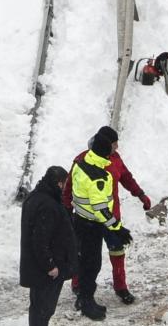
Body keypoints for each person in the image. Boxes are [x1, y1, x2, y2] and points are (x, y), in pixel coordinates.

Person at [62, 125, 150, 307]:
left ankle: (121, 287)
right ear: (106, 144)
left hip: (111, 218)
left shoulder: (115, 159)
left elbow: (126, 178)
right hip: (89, 220)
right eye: (115, 143)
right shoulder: (83, 160)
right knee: (85, 255)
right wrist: (67, 211)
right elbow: (69, 187)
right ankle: (79, 285)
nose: (117, 147)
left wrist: (140, 194)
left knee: (117, 251)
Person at [20, 166, 78, 326]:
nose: (66, 188)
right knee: (43, 310)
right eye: (65, 184)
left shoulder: (35, 197)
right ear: (59, 183)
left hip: (37, 267)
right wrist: (50, 265)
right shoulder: (48, 205)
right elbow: (40, 240)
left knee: (39, 308)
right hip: (46, 271)